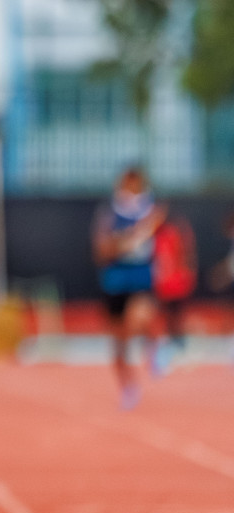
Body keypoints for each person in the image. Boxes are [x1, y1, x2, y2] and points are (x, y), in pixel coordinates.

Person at [93, 165, 164, 410]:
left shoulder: (152, 211)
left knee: (139, 319)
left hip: (140, 278)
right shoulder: (110, 213)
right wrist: (126, 242)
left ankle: (153, 350)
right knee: (118, 343)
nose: (132, 190)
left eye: (136, 185)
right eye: (128, 185)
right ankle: (128, 387)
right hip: (115, 281)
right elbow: (102, 250)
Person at [151, 210, 196, 376]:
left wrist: (187, 275)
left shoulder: (176, 234)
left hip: (176, 282)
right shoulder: (155, 236)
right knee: (167, 316)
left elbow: (186, 256)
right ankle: (170, 346)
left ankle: (179, 345)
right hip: (164, 284)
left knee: (177, 316)